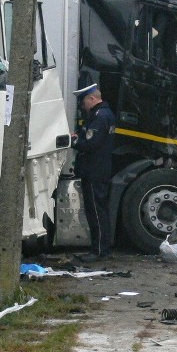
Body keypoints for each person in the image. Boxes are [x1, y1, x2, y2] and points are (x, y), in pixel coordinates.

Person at [71, 84, 116, 263]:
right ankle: (102, 249)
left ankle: (98, 250)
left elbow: (90, 144)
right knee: (100, 210)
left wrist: (72, 141)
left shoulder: (99, 116)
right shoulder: (106, 114)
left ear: (92, 98)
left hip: (94, 170)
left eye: (83, 102)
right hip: (99, 169)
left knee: (95, 211)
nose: (83, 106)